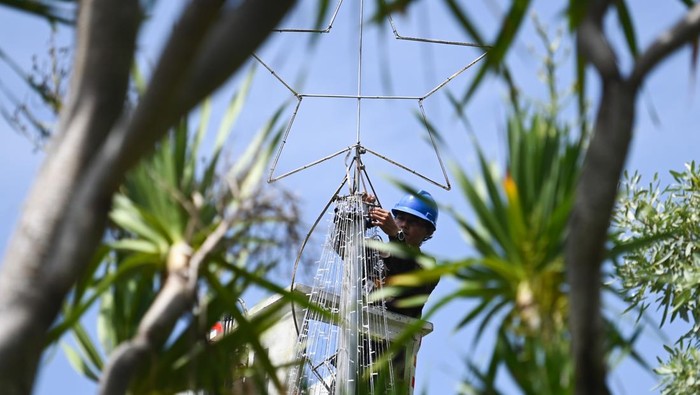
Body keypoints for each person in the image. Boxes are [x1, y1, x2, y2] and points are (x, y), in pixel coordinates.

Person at [365, 189, 439, 318]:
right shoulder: (375, 250)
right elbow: (341, 244)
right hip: (359, 330)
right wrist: (359, 218)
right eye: (400, 218)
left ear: (428, 232)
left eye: (413, 221)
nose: (404, 225)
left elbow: (406, 275)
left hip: (397, 335)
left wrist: (396, 236)